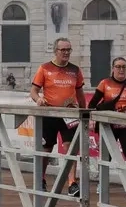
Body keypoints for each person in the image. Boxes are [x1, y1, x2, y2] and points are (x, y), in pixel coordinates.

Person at [30, 37, 86, 196]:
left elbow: (80, 94)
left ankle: (72, 183)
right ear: (56, 51)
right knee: (46, 148)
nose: (66, 53)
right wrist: (38, 99)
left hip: (70, 114)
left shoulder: (75, 70)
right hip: (50, 113)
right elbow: (33, 91)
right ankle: (40, 179)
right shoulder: (45, 68)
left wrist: (85, 114)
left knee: (70, 148)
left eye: (69, 50)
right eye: (63, 50)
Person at [87, 56, 126, 193]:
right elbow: (92, 105)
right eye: (118, 66)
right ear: (113, 68)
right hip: (109, 126)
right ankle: (102, 183)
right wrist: (91, 119)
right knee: (107, 156)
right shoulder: (105, 83)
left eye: (124, 67)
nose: (121, 69)